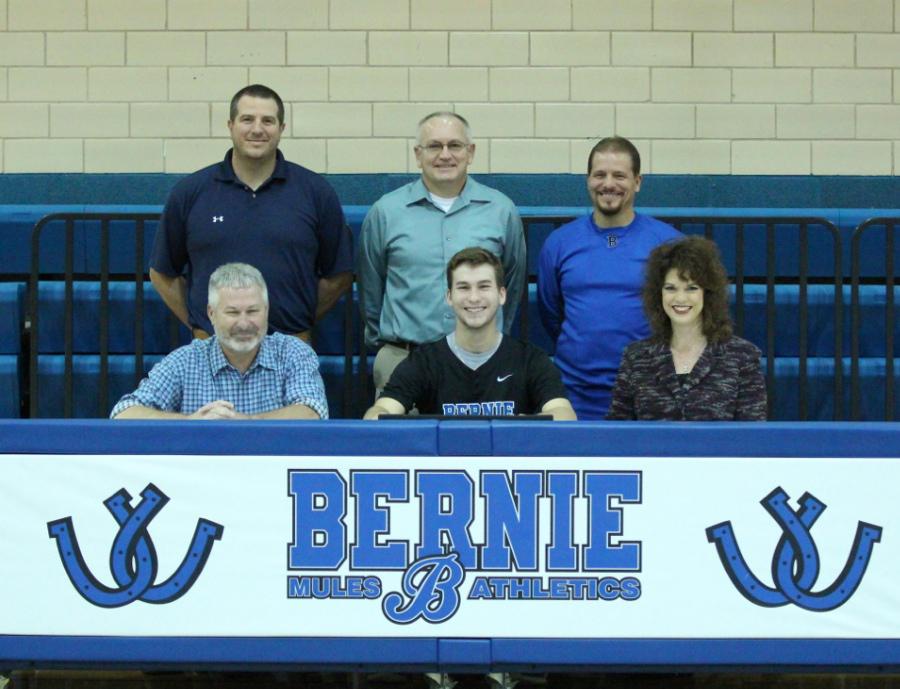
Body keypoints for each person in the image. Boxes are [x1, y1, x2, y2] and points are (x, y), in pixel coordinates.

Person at [150, 83, 352, 343]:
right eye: (247, 119)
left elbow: (340, 275)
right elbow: (162, 273)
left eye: (268, 121)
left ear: (281, 129)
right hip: (211, 349)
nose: (257, 129)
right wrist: (201, 325)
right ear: (230, 125)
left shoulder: (316, 193)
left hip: (290, 349)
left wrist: (297, 321)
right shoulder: (190, 193)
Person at [357, 111, 525, 395]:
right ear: (417, 154)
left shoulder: (501, 210)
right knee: (400, 440)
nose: (445, 155)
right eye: (434, 146)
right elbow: (370, 288)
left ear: (470, 152)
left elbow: (512, 284)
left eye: (454, 146)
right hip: (402, 360)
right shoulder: (386, 212)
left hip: (481, 360)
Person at [537, 136, 681, 420]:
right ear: (587, 180)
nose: (608, 184)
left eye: (619, 175)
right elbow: (551, 313)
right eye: (599, 175)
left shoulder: (668, 243)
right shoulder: (559, 243)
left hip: (649, 392)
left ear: (637, 182)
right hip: (575, 395)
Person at [364, 247, 575, 420]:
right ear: (449, 296)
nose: (474, 298)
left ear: (501, 295)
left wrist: (524, 426)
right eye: (463, 288)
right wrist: (379, 413)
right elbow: (380, 412)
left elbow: (564, 414)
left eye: (484, 287)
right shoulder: (425, 361)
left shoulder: (530, 360)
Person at [111, 263, 328, 420]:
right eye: (232, 313)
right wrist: (189, 422)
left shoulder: (293, 353)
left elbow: (313, 412)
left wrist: (246, 422)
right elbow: (123, 413)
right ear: (211, 314)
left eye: (252, 311)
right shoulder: (185, 361)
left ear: (267, 311)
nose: (244, 323)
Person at [607, 236, 767, 421]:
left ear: (707, 294)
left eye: (691, 288)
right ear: (658, 294)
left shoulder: (742, 356)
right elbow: (619, 433)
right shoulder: (635, 357)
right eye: (671, 288)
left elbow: (752, 436)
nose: (680, 299)